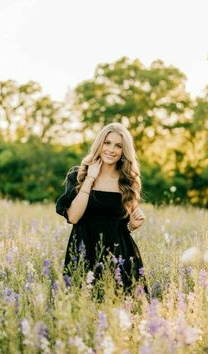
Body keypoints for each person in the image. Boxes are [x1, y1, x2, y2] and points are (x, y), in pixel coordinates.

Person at [56, 122, 149, 298]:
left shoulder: (128, 181)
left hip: (118, 255)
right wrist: (90, 178)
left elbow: (120, 225)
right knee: (80, 308)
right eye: (107, 143)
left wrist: (131, 226)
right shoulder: (78, 175)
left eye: (118, 146)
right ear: (99, 144)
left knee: (121, 310)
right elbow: (74, 217)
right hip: (83, 251)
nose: (111, 149)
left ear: (124, 151)